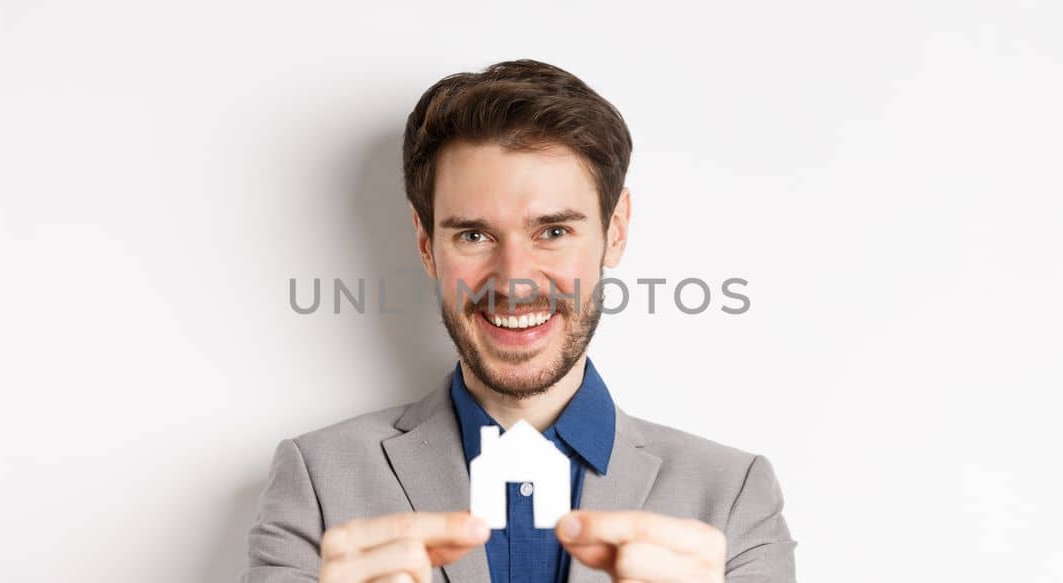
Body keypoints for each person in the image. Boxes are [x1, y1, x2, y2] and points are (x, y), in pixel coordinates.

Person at [245, 59, 797, 583]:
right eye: (474, 235)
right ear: (425, 243)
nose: (514, 281)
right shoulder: (317, 480)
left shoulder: (732, 498)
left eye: (553, 232)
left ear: (616, 230)